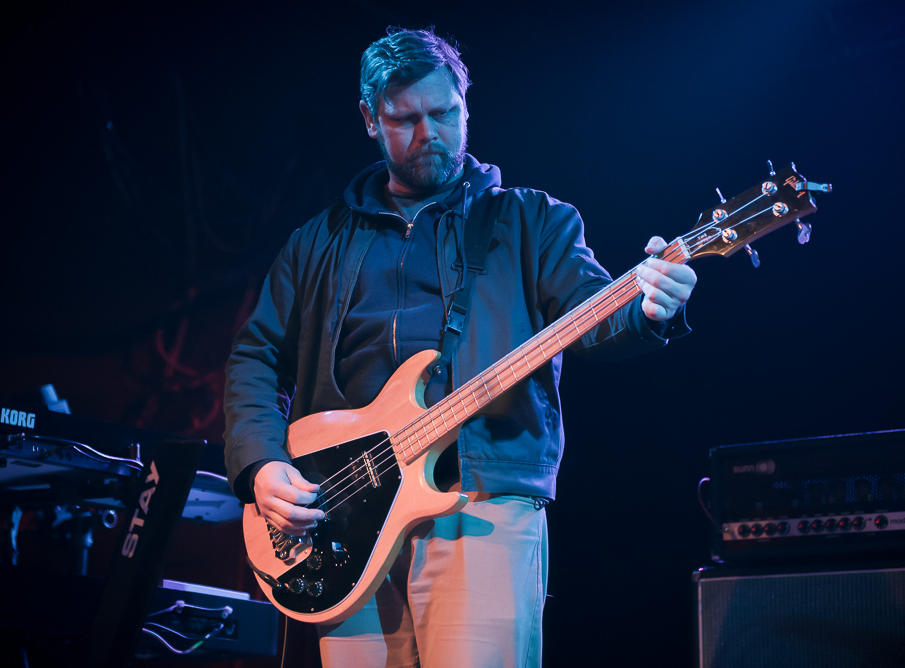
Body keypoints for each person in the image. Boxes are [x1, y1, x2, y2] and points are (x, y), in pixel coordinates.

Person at [223, 27, 697, 667]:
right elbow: (254, 356)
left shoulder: (532, 221)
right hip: (341, 514)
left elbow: (594, 320)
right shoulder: (316, 241)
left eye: (445, 113)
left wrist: (646, 308)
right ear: (370, 119)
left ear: (466, 105)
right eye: (406, 119)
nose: (429, 133)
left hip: (481, 501)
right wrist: (261, 466)